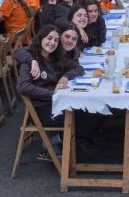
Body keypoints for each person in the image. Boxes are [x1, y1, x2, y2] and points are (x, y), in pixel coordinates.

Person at [14, 23, 84, 160]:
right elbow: (22, 86)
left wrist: (65, 76)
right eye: (49, 38)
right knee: (82, 115)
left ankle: (66, 145)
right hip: (42, 108)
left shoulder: (54, 57)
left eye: (56, 40)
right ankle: (62, 149)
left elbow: (78, 68)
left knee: (85, 112)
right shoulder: (30, 60)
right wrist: (52, 94)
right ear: (40, 38)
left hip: (56, 102)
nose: (52, 43)